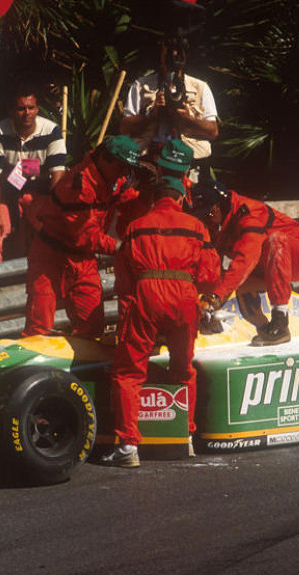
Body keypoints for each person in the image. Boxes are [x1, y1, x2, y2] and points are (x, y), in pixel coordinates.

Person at [102, 176, 220, 468]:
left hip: (147, 293)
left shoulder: (134, 227)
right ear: (181, 198)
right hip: (184, 296)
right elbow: (208, 275)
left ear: (155, 199)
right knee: (183, 368)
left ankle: (128, 445)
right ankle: (185, 438)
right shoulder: (197, 227)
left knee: (129, 371)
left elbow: (124, 280)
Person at [21, 135, 140, 339]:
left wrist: (149, 191)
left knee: (92, 328)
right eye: (121, 167)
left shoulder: (115, 178)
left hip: (82, 259)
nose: (124, 174)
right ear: (105, 159)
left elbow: (127, 196)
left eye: (128, 169)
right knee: (39, 325)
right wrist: (122, 247)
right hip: (50, 255)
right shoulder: (78, 185)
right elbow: (85, 236)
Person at [190, 181, 299, 346]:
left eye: (208, 214)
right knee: (223, 277)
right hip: (267, 265)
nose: (206, 220)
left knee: (276, 240)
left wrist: (215, 297)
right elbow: (210, 269)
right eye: (201, 216)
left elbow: (246, 258)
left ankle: (280, 322)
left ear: (219, 206)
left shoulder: (250, 213)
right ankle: (271, 316)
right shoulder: (216, 221)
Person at [0, 82, 67, 264]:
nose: (27, 113)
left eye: (31, 107)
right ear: (11, 110)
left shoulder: (51, 130)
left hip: (39, 194)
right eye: (21, 109)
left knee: (54, 231)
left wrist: (53, 212)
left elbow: (57, 176)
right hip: (8, 193)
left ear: (37, 109)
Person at [120, 36, 218, 170]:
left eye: (178, 52)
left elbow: (213, 131)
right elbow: (125, 127)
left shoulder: (200, 87)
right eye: (169, 52)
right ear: (160, 55)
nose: (173, 56)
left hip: (187, 161)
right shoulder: (142, 86)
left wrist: (186, 119)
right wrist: (153, 115)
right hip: (148, 159)